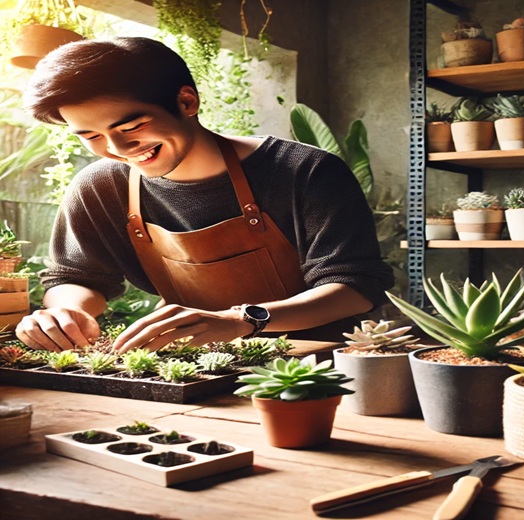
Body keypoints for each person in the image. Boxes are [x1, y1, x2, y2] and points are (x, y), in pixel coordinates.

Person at [15, 36, 394, 354]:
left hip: (320, 365)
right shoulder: (99, 187)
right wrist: (68, 313)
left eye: (132, 125)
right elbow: (80, 277)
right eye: (91, 136)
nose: (117, 147)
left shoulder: (306, 171)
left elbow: (354, 287)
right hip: (197, 364)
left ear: (186, 102)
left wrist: (240, 320)